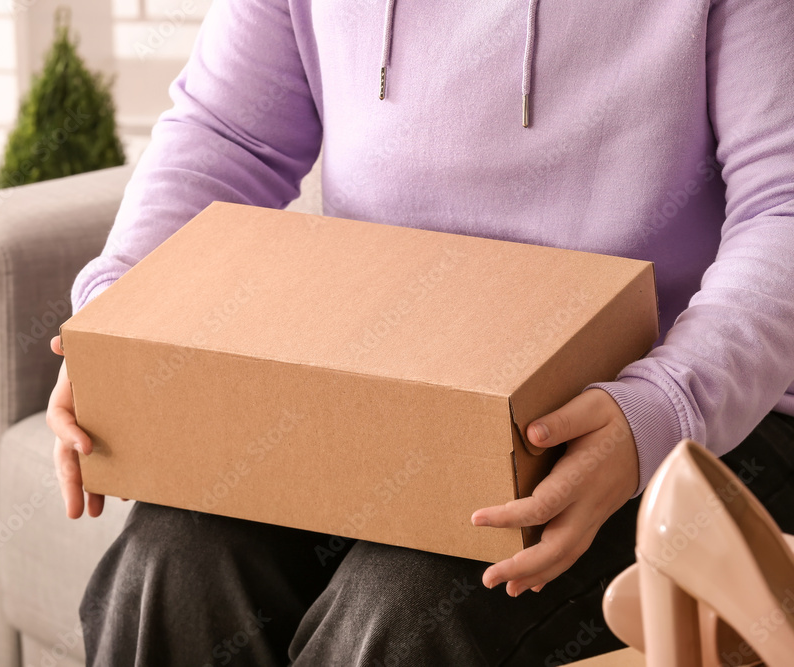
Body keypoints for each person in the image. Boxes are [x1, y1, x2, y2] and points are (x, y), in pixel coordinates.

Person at [46, 0, 794, 664]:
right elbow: (230, 136)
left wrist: (657, 408)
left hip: (688, 419)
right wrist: (116, 314)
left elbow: (782, 209)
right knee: (173, 567)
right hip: (385, 396)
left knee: (400, 616)